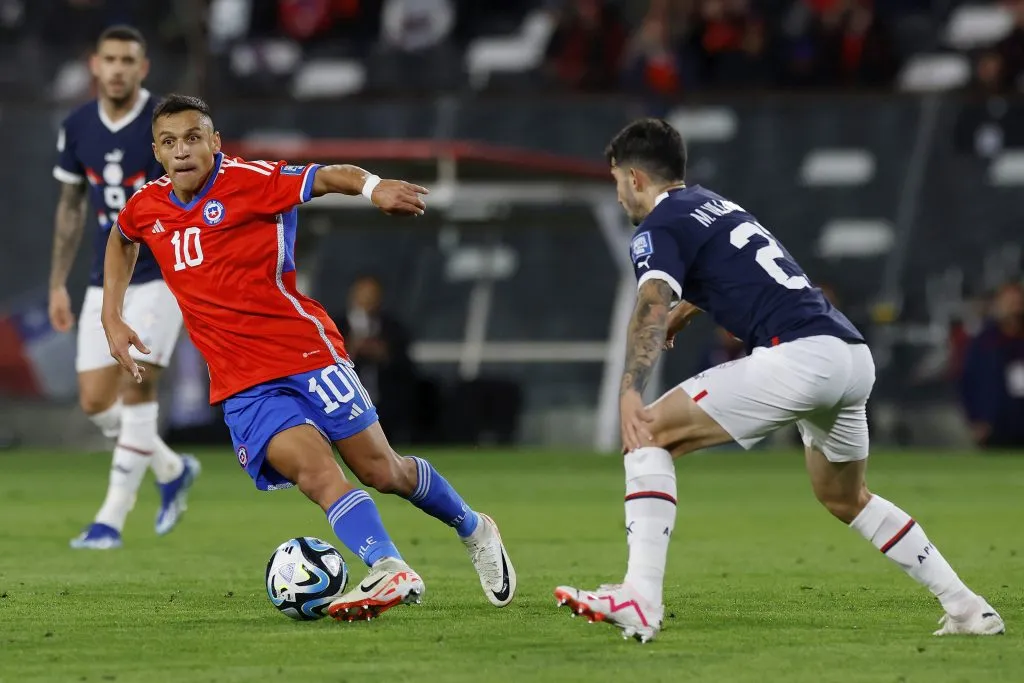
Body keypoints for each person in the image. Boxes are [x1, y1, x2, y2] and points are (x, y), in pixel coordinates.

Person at [554, 118, 1004, 643]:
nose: (617, 195)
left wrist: (630, 389)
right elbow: (743, 272)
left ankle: (639, 596)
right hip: (849, 355)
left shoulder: (657, 225)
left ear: (633, 178)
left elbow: (652, 302)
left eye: (615, 182)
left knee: (649, 432)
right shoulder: (714, 205)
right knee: (844, 496)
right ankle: (967, 607)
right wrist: (689, 311)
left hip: (799, 357)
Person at [102, 94, 515, 620]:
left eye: (192, 138)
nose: (182, 151)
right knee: (317, 476)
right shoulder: (149, 205)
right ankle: (388, 566)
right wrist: (112, 315)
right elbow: (122, 237)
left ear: (214, 142)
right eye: (169, 142)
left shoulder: (252, 180)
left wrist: (373, 188)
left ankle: (474, 528)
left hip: (306, 354)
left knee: (383, 471)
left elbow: (326, 175)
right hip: (243, 384)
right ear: (157, 151)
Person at [49, 25, 199, 550]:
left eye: (127, 59)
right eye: (109, 58)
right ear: (95, 64)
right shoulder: (76, 125)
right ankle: (172, 468)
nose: (117, 68)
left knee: (137, 386)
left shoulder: (165, 123)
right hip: (104, 277)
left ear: (143, 67)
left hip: (162, 274)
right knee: (95, 401)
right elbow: (70, 209)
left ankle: (110, 519)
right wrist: (57, 285)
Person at [338, 275, 417, 443]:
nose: (367, 299)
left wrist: (384, 354)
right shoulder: (335, 325)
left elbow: (407, 367)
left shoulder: (392, 328)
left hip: (385, 404)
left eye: (372, 294)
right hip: (345, 403)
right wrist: (351, 349)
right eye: (363, 293)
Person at [959, 282, 1024, 449]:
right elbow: (967, 382)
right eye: (1009, 303)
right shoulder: (985, 342)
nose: (1014, 308)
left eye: (1017, 302)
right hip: (994, 426)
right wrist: (975, 419)